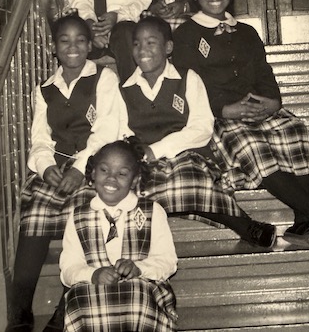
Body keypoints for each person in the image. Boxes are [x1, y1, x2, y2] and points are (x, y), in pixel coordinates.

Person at [172, 0, 309, 249]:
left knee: (296, 131)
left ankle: (302, 222)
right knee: (251, 144)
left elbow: (264, 73)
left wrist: (271, 102)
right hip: (218, 115)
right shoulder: (185, 35)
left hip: (258, 108)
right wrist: (223, 109)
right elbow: (187, 85)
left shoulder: (246, 32)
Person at [6, 14, 123, 331]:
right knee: (36, 210)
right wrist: (46, 168)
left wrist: (80, 168)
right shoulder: (45, 89)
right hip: (58, 167)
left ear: (90, 45)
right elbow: (40, 139)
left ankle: (65, 311)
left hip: (96, 166)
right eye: (65, 41)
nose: (73, 47)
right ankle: (20, 312)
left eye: (80, 40)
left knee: (87, 215)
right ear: (54, 48)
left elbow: (106, 131)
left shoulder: (104, 78)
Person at [118, 15, 276, 247]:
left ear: (168, 47)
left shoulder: (187, 78)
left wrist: (158, 149)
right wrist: (137, 152)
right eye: (136, 44)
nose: (143, 49)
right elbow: (122, 132)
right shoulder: (124, 89)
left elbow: (202, 127)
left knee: (187, 178)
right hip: (145, 160)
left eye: (151, 42)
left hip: (188, 154)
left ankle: (244, 225)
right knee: (139, 187)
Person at [60, 139, 178, 331]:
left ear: (135, 180)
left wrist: (139, 268)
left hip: (141, 292)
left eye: (122, 174)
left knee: (138, 295)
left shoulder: (152, 211)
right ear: (93, 173)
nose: (111, 178)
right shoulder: (78, 216)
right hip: (93, 292)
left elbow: (167, 261)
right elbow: (68, 267)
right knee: (80, 298)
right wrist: (93, 274)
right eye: (104, 170)